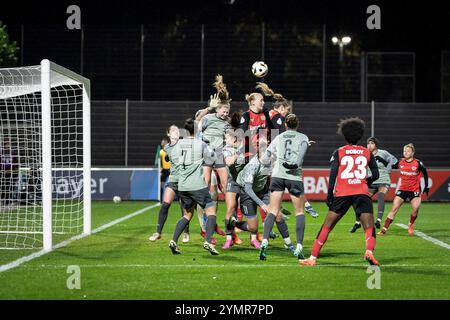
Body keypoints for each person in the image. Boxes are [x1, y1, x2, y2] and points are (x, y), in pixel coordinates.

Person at [299, 117, 380, 267]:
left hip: (342, 193)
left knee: (327, 226)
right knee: (368, 226)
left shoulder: (339, 152)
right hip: (361, 192)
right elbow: (376, 175)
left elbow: (333, 174)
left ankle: (312, 258)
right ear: (360, 135)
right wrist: (365, 181)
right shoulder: (366, 152)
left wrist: (329, 195)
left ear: (345, 134)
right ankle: (369, 251)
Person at [257, 82, 319, 219]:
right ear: (281, 107)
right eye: (287, 110)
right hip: (272, 154)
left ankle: (276, 209)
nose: (287, 113)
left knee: (267, 185)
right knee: (294, 177)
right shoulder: (277, 117)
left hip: (264, 151)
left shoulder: (266, 115)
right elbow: (281, 138)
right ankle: (305, 206)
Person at [258, 113, 310, 260]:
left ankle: (264, 242)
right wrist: (295, 164)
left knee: (273, 211)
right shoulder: (303, 137)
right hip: (294, 177)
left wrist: (265, 163)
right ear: (297, 124)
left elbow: (266, 156)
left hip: (277, 176)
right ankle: (299, 246)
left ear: (286, 124)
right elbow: (301, 156)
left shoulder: (279, 138)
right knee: (299, 212)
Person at [169, 118, 219, 255]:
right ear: (197, 130)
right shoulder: (200, 143)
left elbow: (172, 159)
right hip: (197, 184)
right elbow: (213, 157)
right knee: (211, 211)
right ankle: (208, 242)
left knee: (187, 215)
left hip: (183, 186)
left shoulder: (178, 144)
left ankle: (174, 240)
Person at [149, 125, 189, 243]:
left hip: (184, 180)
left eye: (177, 130)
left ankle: (186, 233)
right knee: (165, 204)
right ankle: (158, 232)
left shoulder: (184, 145)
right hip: (173, 180)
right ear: (168, 134)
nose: (175, 131)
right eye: (172, 130)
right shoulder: (166, 148)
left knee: (184, 207)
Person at [378, 143, 429, 236]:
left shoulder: (417, 163)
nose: (405, 153)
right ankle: (384, 229)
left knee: (415, 209)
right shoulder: (400, 162)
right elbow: (392, 166)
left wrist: (426, 186)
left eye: (408, 151)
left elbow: (425, 172)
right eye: (404, 151)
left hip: (414, 190)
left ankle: (410, 224)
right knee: (394, 208)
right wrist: (382, 160)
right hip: (403, 189)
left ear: (412, 153)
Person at [349, 136, 397, 232]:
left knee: (381, 196)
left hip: (383, 179)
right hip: (371, 180)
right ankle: (358, 222)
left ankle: (378, 220)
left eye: (372, 143)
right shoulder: (364, 154)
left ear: (376, 145)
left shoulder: (383, 153)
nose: (369, 145)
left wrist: (388, 169)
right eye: (368, 143)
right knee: (359, 200)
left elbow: (394, 160)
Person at [0, 139, 18, 205]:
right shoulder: (1, 152)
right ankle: (2, 199)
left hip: (11, 172)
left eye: (9, 144)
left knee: (10, 186)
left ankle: (8, 201)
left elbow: (16, 162)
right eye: (7, 144)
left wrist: (15, 170)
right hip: (3, 172)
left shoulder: (13, 153)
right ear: (4, 145)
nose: (8, 145)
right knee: (3, 187)